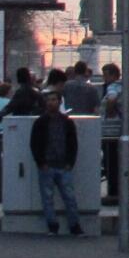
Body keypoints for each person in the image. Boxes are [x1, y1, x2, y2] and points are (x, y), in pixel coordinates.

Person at [29, 90, 83, 236]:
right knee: (57, 197)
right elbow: (34, 144)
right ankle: (64, 226)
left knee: (63, 197)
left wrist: (69, 162)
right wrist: (41, 162)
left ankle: (65, 226)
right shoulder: (42, 122)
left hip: (60, 164)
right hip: (49, 164)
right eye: (48, 100)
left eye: (53, 100)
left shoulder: (65, 122)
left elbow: (73, 144)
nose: (50, 102)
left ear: (59, 102)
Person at [101, 63, 122, 204]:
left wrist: (108, 112)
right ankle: (116, 191)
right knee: (114, 162)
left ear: (114, 75)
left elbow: (112, 99)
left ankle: (113, 193)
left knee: (111, 163)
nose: (104, 78)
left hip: (111, 131)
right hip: (118, 129)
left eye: (106, 75)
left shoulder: (113, 87)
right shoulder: (122, 86)